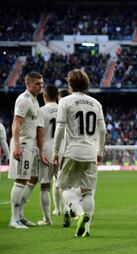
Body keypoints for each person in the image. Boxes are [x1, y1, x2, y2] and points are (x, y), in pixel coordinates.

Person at [53, 69, 106, 237]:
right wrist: (100, 151)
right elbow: (103, 130)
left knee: (63, 186)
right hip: (91, 152)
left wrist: (55, 150)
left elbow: (60, 128)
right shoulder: (96, 103)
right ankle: (87, 228)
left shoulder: (65, 101)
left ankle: (79, 213)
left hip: (72, 151)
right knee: (88, 191)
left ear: (70, 85)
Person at [8, 71, 48, 229]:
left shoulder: (35, 101)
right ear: (28, 84)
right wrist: (17, 145)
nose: (41, 86)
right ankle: (14, 219)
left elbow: (38, 128)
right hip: (23, 145)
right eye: (38, 84)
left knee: (27, 180)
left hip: (31, 147)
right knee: (20, 181)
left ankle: (20, 215)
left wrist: (41, 150)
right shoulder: (24, 100)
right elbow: (16, 123)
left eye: (42, 83)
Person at [37, 85, 59, 225]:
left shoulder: (41, 111)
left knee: (45, 185)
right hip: (62, 151)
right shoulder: (64, 109)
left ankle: (47, 219)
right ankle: (67, 212)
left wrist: (40, 151)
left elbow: (39, 131)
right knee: (64, 185)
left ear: (44, 96)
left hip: (46, 150)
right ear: (57, 96)